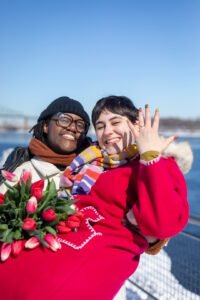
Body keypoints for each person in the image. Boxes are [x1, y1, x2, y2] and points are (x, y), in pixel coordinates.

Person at [0, 95, 190, 300]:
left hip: (85, 268)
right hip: (55, 251)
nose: (107, 131)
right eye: (100, 126)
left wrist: (150, 155)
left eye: (115, 122)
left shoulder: (157, 164)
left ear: (137, 124)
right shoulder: (91, 163)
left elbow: (164, 222)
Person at [0, 96, 91, 191]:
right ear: (46, 126)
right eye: (64, 120)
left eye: (80, 125)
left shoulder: (92, 171)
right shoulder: (20, 174)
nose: (72, 128)